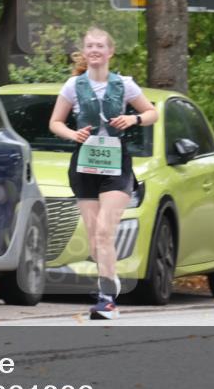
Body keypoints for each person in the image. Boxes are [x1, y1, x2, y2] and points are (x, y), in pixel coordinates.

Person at [48, 27, 158, 320]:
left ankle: (107, 299)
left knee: (104, 231)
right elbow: (55, 122)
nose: (94, 50)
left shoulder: (125, 85)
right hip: (84, 164)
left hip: (116, 165)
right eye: (89, 46)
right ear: (84, 53)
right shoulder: (73, 85)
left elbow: (152, 113)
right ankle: (108, 279)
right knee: (95, 237)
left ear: (110, 52)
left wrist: (132, 118)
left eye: (100, 46)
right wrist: (73, 134)